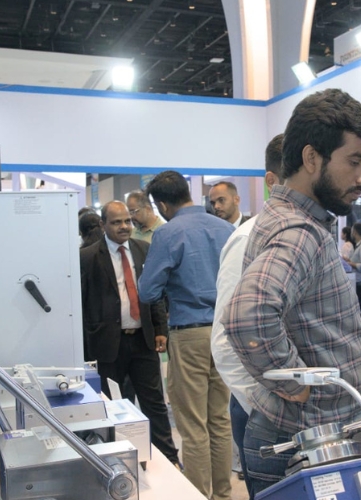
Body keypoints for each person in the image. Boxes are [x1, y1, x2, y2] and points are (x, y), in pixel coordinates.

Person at [224, 89, 361, 496]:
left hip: (306, 434)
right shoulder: (299, 232)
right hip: (305, 439)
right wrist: (298, 384)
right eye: (355, 162)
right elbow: (247, 316)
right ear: (312, 158)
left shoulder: (290, 218)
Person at [137, 171, 234, 500]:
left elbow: (148, 291)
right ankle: (223, 495)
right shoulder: (225, 228)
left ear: (163, 205)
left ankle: (198, 495)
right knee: (219, 419)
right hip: (224, 333)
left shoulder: (168, 233)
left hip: (190, 333)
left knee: (193, 427)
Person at [78, 201, 180, 467]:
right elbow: (81, 304)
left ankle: (169, 458)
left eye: (127, 221)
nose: (124, 226)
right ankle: (114, 460)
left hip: (143, 339)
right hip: (106, 343)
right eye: (116, 222)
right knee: (111, 404)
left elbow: (155, 293)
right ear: (103, 225)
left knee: (154, 403)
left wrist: (160, 328)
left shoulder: (143, 249)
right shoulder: (87, 257)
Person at [211, 133, 283, 497]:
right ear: (273, 181)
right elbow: (224, 339)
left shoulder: (308, 235)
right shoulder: (247, 240)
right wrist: (262, 405)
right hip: (263, 408)